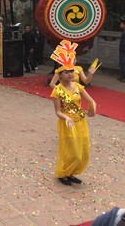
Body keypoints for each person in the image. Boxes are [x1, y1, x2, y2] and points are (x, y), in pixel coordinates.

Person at [50, 40, 96, 186]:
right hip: (67, 122)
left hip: (80, 120)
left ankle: (71, 172)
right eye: (67, 72)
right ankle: (63, 173)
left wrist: (92, 109)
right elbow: (58, 111)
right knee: (71, 151)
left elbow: (91, 101)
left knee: (82, 150)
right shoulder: (57, 91)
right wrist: (66, 118)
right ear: (60, 74)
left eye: (71, 71)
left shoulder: (77, 86)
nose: (70, 74)